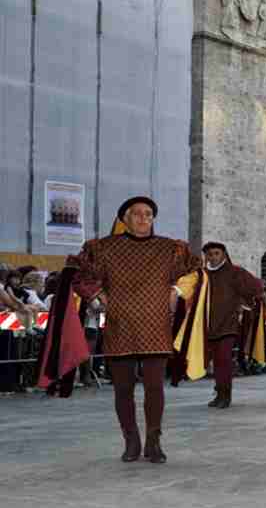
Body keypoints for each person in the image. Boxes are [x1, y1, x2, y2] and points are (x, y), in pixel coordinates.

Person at [66, 197, 203, 463]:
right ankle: (131, 440)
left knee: (155, 388)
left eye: (148, 214)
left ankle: (153, 441)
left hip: (156, 326)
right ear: (124, 219)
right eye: (137, 214)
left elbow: (194, 271)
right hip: (120, 325)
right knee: (123, 388)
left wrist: (176, 291)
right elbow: (79, 276)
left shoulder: (170, 249)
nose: (143, 219)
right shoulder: (102, 248)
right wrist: (98, 295)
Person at [200, 242, 264, 408]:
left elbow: (256, 286)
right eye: (210, 254)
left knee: (224, 360)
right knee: (216, 361)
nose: (213, 257)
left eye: (216, 253)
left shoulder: (235, 272)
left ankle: (225, 395)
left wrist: (253, 300)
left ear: (223, 255)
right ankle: (219, 393)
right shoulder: (203, 274)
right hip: (209, 325)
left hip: (228, 324)